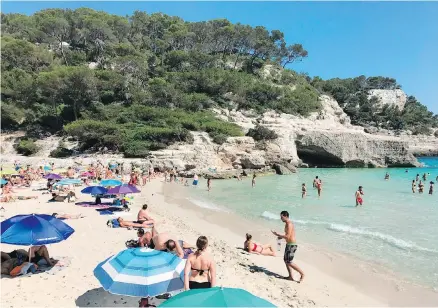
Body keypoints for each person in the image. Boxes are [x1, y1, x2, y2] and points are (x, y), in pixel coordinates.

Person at [271, 211, 304, 283]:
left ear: (286, 216)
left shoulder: (289, 224)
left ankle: (302, 274)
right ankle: (290, 276)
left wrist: (278, 235)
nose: (281, 218)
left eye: (282, 217)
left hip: (292, 245)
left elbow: (288, 236)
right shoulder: (286, 224)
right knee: (286, 260)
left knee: (289, 261)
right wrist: (280, 238)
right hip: (289, 244)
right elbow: (288, 236)